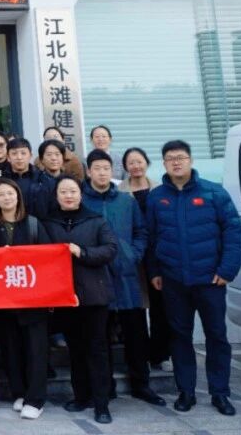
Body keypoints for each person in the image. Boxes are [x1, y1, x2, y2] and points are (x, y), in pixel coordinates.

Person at [146, 140, 241, 416]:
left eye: (180, 157)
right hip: (173, 280)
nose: (176, 162)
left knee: (217, 336)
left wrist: (227, 270)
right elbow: (151, 237)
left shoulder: (214, 193)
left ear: (190, 160)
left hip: (210, 280)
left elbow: (234, 234)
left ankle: (220, 393)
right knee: (180, 336)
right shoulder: (156, 197)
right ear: (164, 164)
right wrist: (154, 272)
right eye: (170, 158)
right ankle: (186, 391)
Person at [82, 150, 166, 407]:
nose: (102, 172)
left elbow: (141, 232)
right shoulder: (82, 201)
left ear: (113, 172)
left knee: (136, 333)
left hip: (127, 276)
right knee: (100, 336)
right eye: (97, 168)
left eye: (106, 168)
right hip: (96, 276)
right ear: (88, 172)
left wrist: (134, 254)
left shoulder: (126, 201)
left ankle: (141, 384)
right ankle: (105, 387)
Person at [44, 176, 119, 425]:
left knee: (97, 350)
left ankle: (102, 403)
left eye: (73, 191)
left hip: (95, 296)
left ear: (81, 194)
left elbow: (110, 249)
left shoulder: (96, 220)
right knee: (75, 349)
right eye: (63, 191)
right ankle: (81, 396)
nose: (68, 195)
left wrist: (82, 252)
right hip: (65, 297)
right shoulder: (49, 222)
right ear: (56, 196)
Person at [0, 178, 51, 421]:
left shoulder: (33, 224)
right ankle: (20, 393)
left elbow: (48, 259)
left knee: (36, 350)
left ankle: (36, 399)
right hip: (4, 300)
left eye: (10, 193)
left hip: (33, 299)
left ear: (18, 196)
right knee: (11, 349)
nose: (6, 198)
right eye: (1, 194)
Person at [118, 147, 171, 371]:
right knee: (136, 308)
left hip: (157, 256)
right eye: (131, 162)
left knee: (160, 307)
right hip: (132, 256)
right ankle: (139, 357)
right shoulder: (119, 192)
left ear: (147, 163)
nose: (135, 166)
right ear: (125, 167)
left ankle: (161, 354)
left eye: (139, 161)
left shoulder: (161, 189)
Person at [5, 138, 55, 220]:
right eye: (14, 153)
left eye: (23, 153)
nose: (19, 157)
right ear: (8, 157)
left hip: (40, 225)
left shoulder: (44, 180)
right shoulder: (1, 182)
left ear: (30, 156)